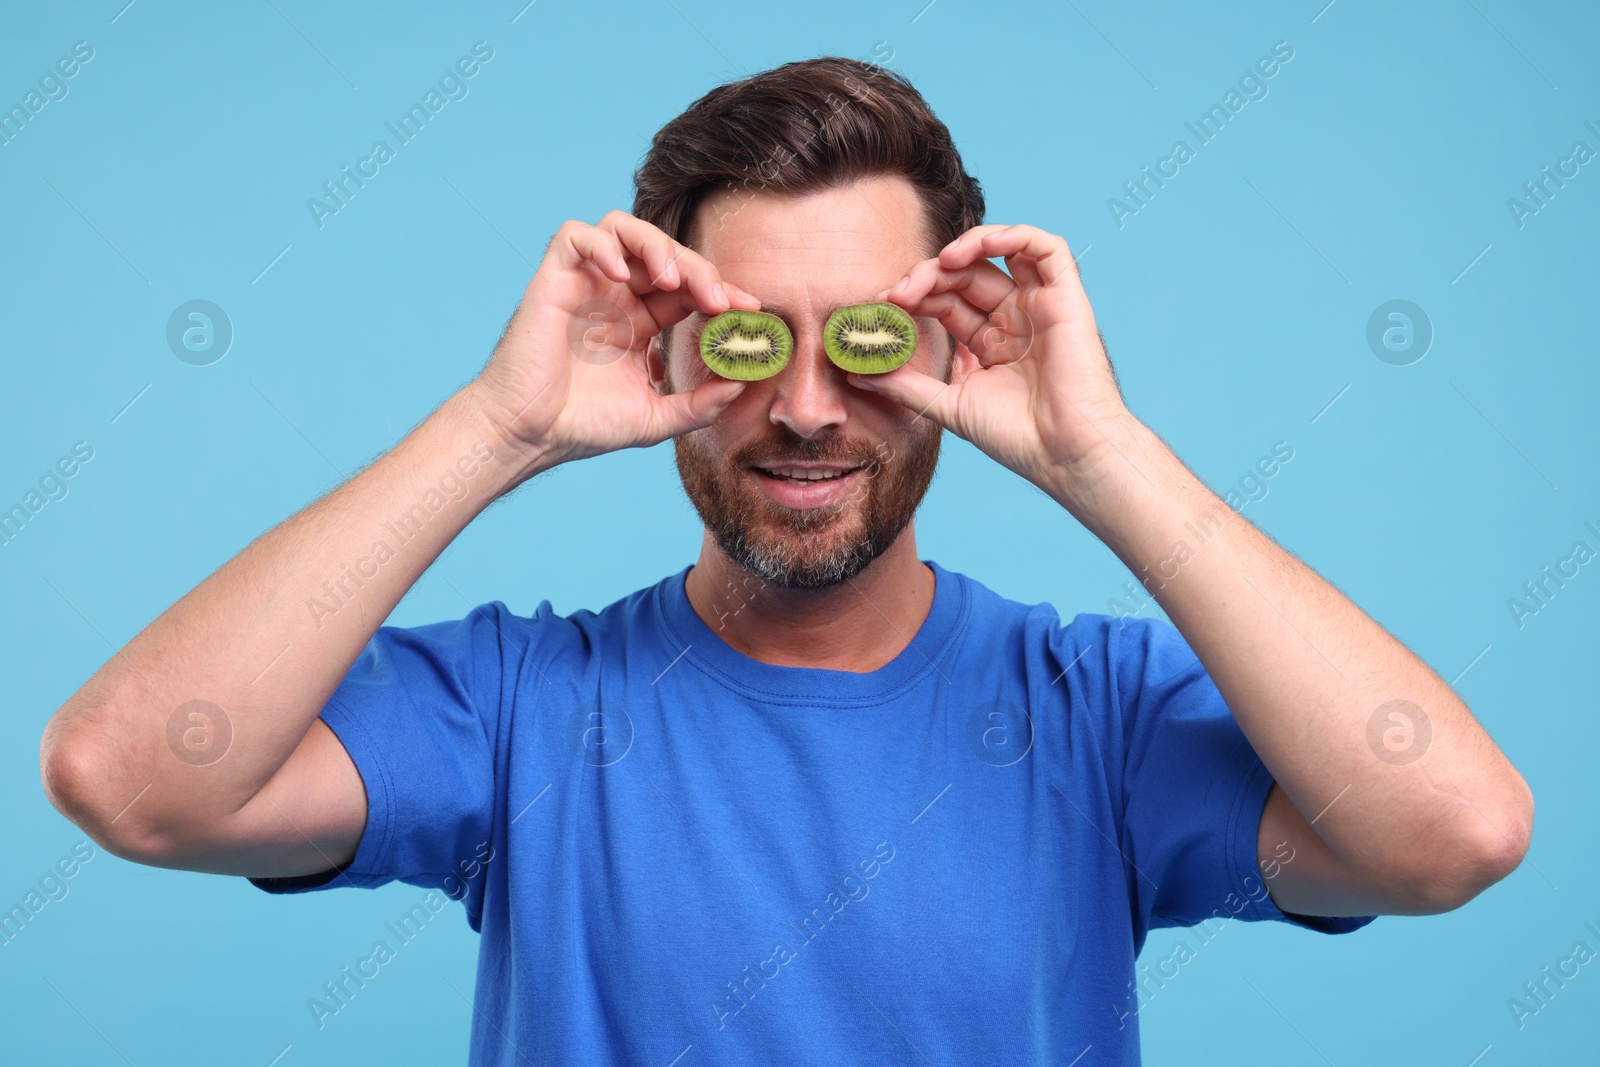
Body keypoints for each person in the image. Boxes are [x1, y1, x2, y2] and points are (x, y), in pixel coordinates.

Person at [39, 56, 1533, 1065]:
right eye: (753, 338)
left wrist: (1102, 458)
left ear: (951, 344)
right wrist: (501, 426)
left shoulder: (1099, 715)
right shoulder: (517, 710)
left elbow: (1452, 831)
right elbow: (129, 778)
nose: (809, 406)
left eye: (869, 341)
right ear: (677, 340)